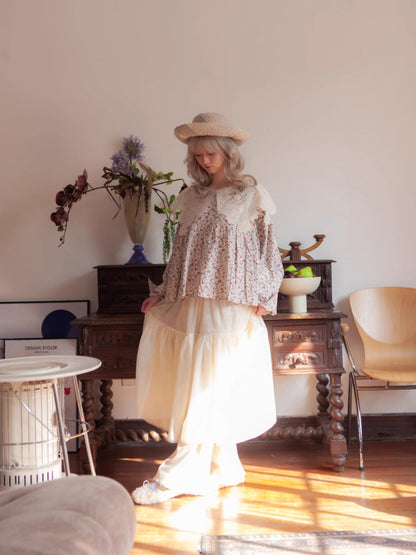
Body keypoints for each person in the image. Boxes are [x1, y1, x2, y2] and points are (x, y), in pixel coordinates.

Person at [132, 112, 284, 505]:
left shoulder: (251, 194)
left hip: (231, 300)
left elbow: (268, 250)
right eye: (197, 155)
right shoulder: (191, 196)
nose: (204, 161)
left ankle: (177, 474)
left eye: (210, 153)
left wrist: (267, 294)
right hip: (193, 299)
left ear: (228, 152)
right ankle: (222, 463)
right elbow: (180, 253)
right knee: (200, 376)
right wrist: (163, 291)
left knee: (208, 381)